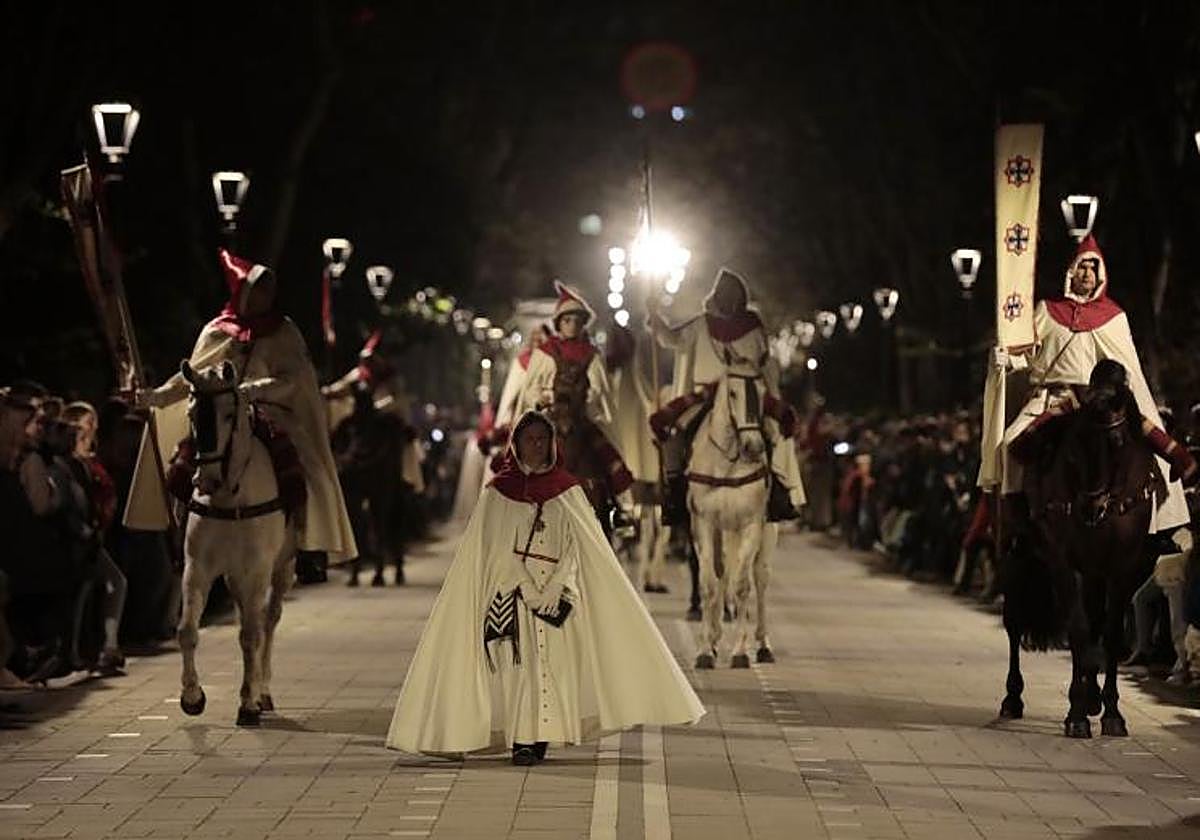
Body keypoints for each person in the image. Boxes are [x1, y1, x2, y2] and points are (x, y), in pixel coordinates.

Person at [386, 410, 704, 764]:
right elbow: (493, 549)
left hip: (556, 596)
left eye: (542, 439)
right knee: (521, 668)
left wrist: (557, 586)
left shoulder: (568, 490)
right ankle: (523, 740)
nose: (537, 446)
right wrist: (527, 588)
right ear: (517, 444)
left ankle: (542, 735)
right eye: (530, 439)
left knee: (554, 667)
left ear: (553, 444)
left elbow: (579, 546)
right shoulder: (497, 493)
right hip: (514, 595)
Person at [130, 248, 357, 575]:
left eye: (268, 290)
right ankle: (179, 534)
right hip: (221, 410)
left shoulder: (284, 331)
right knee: (184, 460)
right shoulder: (216, 330)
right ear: (244, 292)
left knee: (310, 467)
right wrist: (156, 397)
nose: (265, 297)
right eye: (258, 290)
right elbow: (192, 376)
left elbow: (295, 381)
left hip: (270, 411)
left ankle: (307, 543)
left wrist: (255, 390)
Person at [980, 235, 1190, 541]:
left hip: (1097, 398)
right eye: (1082, 267)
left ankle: (1164, 505)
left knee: (1141, 432)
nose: (1087, 273)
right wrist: (1004, 359)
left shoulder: (1113, 317)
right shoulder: (1047, 311)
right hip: (1052, 398)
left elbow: (1129, 368)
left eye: (1093, 268)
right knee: (1011, 440)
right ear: (1071, 271)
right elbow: (1026, 355)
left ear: (1100, 274)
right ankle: (1018, 511)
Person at [645, 268, 804, 521]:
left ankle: (777, 493)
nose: (729, 300)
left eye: (734, 296)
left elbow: (762, 362)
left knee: (770, 432)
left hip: (746, 393)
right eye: (725, 295)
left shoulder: (752, 325)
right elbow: (674, 339)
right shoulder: (700, 324)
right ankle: (676, 495)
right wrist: (656, 319)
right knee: (676, 436)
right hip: (704, 398)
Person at [514, 282, 634, 526]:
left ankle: (616, 506)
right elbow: (531, 389)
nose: (572, 325)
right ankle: (520, 509)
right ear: (559, 323)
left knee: (606, 457)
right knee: (525, 459)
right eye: (567, 320)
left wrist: (586, 402)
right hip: (549, 419)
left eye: (578, 320)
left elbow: (600, 391)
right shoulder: (544, 353)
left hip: (581, 419)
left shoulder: (592, 355)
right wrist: (542, 398)